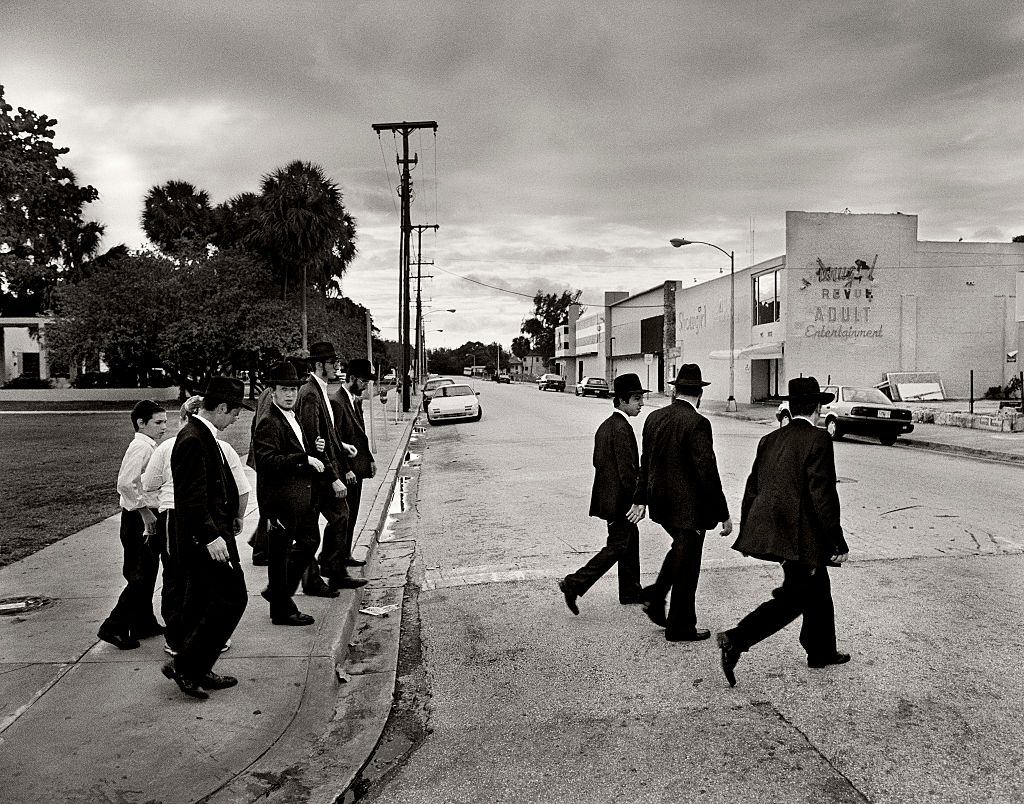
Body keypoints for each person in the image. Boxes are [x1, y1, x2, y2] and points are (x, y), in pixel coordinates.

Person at [717, 377, 851, 687]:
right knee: (794, 598)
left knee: (817, 591)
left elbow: (753, 487)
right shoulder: (819, 440)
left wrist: (751, 530)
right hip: (801, 536)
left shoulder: (770, 439)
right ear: (818, 408)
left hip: (775, 532)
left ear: (790, 407)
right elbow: (823, 496)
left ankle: (821, 651)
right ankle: (736, 639)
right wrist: (836, 540)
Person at [162, 377, 251, 699]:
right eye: (235, 411)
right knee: (232, 598)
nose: (237, 418)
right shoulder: (193, 439)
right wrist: (212, 537)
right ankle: (187, 667)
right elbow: (191, 499)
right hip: (206, 542)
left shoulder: (202, 435)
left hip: (212, 537)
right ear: (222, 408)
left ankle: (197, 667)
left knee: (207, 604)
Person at [143, 396, 250, 655]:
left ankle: (183, 639)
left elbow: (149, 485)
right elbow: (241, 489)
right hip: (197, 520)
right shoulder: (207, 444)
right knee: (200, 583)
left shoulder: (169, 446)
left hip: (174, 516)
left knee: (177, 578)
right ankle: (192, 644)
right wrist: (237, 516)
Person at [633, 364, 732, 642]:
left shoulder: (654, 418)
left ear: (675, 391)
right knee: (688, 562)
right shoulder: (698, 423)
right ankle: (677, 622)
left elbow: (646, 463)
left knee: (682, 552)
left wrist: (641, 498)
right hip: (689, 508)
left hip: (660, 504)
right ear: (699, 393)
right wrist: (723, 512)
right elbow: (706, 471)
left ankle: (661, 601)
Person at [558, 373, 648, 614]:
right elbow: (627, 472)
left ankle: (630, 590)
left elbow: (598, 462)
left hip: (610, 499)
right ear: (621, 400)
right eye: (637, 399)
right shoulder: (621, 429)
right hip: (621, 502)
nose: (641, 404)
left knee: (630, 541)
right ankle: (573, 583)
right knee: (618, 546)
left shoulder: (606, 426)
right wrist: (637, 500)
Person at [253, 361, 331, 625]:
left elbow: (299, 450)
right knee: (279, 555)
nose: (290, 395)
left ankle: (277, 591)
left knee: (310, 541)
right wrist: (304, 458)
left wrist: (314, 448)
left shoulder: (292, 416)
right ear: (272, 391)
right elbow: (267, 461)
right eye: (284, 389)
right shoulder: (269, 421)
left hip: (301, 498)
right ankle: (281, 610)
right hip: (280, 500)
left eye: (293, 390)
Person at [296, 341, 367, 593]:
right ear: (318, 365)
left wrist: (341, 445)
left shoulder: (320, 389)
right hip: (318, 472)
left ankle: (325, 572)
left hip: (326, 465)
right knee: (338, 516)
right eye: (331, 363)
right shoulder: (310, 393)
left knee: (327, 522)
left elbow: (327, 434)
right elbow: (313, 440)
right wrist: (333, 476)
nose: (336, 367)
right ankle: (328, 568)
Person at [97, 399, 168, 650]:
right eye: (158, 422)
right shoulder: (141, 447)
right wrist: (146, 514)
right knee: (140, 575)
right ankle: (113, 626)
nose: (163, 427)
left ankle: (143, 622)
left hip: (141, 516)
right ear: (141, 423)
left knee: (147, 573)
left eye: (165, 423)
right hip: (138, 518)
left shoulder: (149, 445)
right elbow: (126, 483)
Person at [333, 358, 377, 565]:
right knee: (344, 515)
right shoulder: (337, 402)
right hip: (347, 472)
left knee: (353, 514)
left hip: (358, 469)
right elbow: (336, 439)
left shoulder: (353, 401)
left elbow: (361, 436)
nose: (366, 385)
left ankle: (346, 553)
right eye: (363, 381)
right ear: (351, 378)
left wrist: (369, 459)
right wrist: (346, 469)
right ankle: (337, 557)